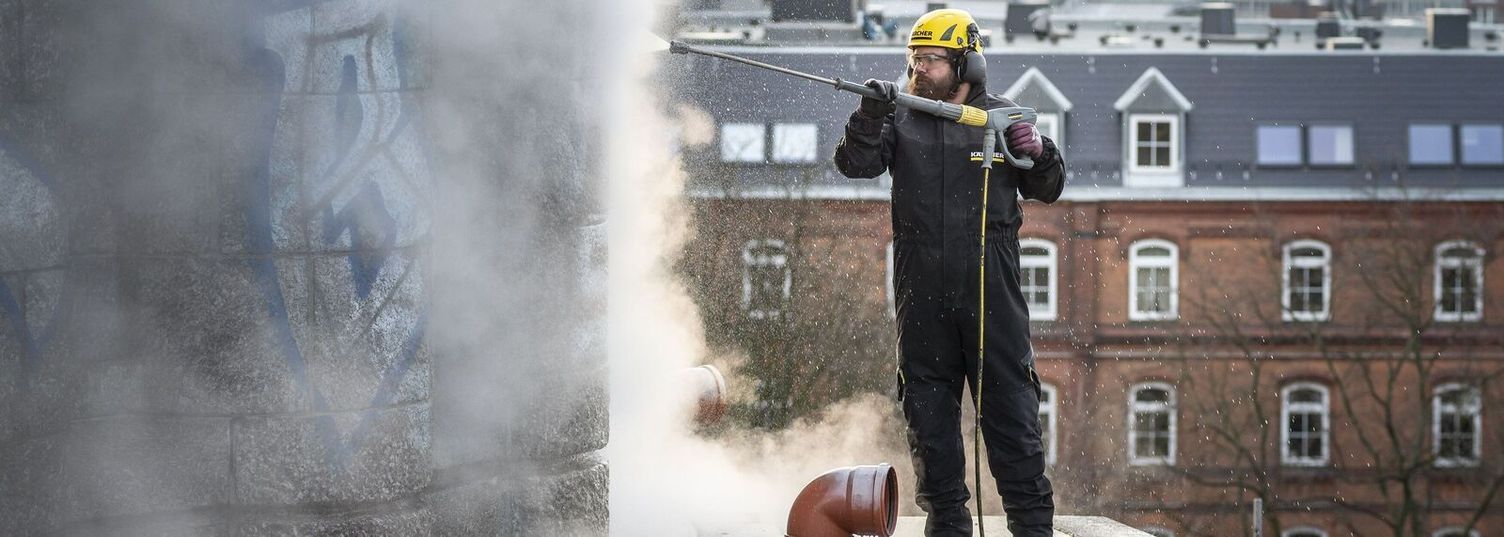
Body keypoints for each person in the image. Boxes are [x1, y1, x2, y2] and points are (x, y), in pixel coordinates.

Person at [832, 8, 1064, 537]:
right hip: (922, 290)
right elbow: (856, 164)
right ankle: (948, 523)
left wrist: (1040, 151)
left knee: (1011, 412)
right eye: (915, 58)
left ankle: (1031, 525)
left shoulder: (1003, 118)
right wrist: (868, 116)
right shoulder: (901, 118)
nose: (920, 69)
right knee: (929, 414)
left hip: (992, 291)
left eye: (933, 60)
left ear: (967, 65)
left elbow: (1047, 187)